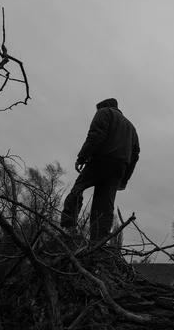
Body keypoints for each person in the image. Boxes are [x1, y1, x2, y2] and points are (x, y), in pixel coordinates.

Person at [60, 98, 140, 242]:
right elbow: (135, 156)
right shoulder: (131, 128)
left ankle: (68, 228)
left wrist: (81, 158)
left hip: (100, 161)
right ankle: (99, 241)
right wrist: (124, 179)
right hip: (119, 168)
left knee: (78, 188)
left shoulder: (105, 112)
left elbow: (96, 136)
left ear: (105, 106)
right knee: (105, 204)